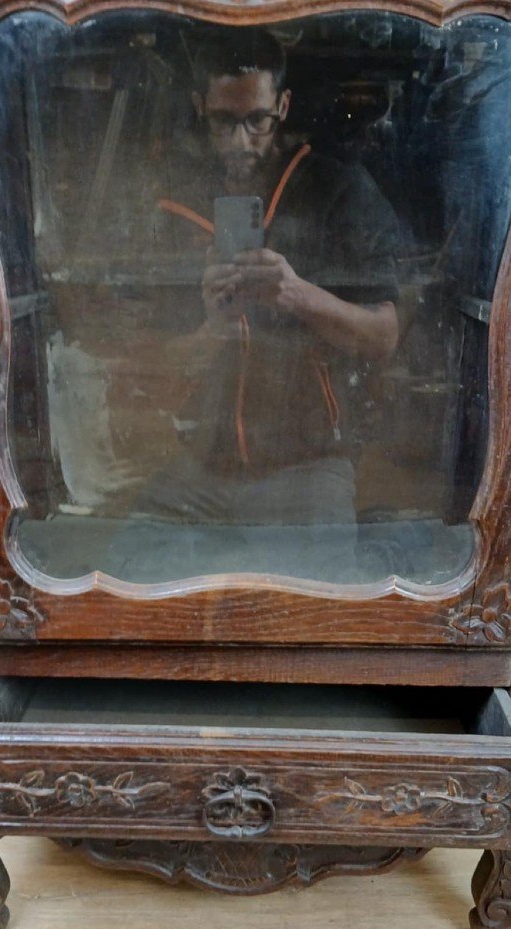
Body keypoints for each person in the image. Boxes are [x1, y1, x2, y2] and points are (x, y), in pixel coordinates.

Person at [107, 29, 409, 582]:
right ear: (200, 108)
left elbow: (384, 336)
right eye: (223, 121)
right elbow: (141, 370)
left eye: (257, 121)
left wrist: (298, 295)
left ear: (283, 107)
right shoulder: (174, 203)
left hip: (308, 465)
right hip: (201, 469)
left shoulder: (336, 190)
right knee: (121, 586)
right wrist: (209, 331)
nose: (240, 142)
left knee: (321, 622)